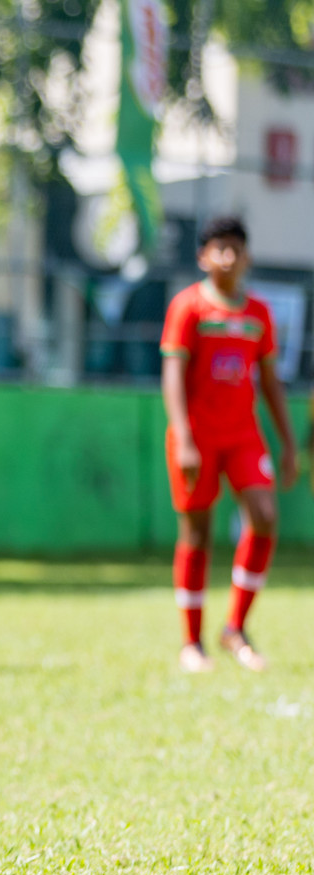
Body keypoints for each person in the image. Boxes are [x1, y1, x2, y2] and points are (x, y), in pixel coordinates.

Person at [162, 216, 295, 673]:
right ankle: (191, 642)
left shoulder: (257, 314)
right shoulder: (188, 307)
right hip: (198, 436)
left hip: (243, 435)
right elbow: (173, 375)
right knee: (197, 533)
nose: (228, 255)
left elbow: (272, 383)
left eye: (235, 247)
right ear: (203, 256)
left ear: (247, 256)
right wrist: (183, 437)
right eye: (219, 247)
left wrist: (290, 445)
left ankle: (234, 628)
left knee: (265, 517)